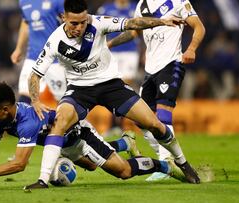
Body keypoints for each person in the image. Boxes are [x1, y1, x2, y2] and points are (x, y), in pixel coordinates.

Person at [25, 0, 200, 189]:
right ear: (63, 18)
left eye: (83, 22)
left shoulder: (98, 22)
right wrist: (35, 100)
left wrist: (162, 22)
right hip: (80, 90)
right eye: (74, 23)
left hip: (111, 86)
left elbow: (132, 23)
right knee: (60, 122)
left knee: (154, 124)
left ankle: (182, 163)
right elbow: (34, 74)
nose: (80, 27)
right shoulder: (55, 41)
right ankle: (43, 180)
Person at [0, 82, 187, 186]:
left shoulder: (27, 121)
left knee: (122, 172)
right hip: (61, 146)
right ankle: (125, 141)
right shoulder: (0, 119)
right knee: (92, 167)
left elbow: (19, 164)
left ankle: (163, 166)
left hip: (79, 136)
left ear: (5, 109)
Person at [107, 0, 205, 181]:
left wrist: (191, 48)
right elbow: (134, 32)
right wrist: (111, 44)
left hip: (171, 64)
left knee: (163, 116)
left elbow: (199, 27)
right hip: (150, 70)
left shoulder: (178, 1)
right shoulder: (141, 5)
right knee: (141, 120)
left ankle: (166, 162)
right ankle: (168, 161)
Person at [96, 0, 141, 138]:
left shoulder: (135, 8)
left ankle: (119, 125)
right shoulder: (105, 9)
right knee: (111, 85)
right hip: (111, 51)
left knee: (125, 85)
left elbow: (139, 30)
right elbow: (97, 29)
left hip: (130, 52)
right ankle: (114, 125)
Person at [10, 0, 67, 103]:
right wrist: (19, 48)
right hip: (33, 57)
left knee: (63, 101)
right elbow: (25, 22)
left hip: (54, 59)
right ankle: (24, 119)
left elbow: (70, 21)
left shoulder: (58, 1)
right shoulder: (23, 2)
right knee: (25, 96)